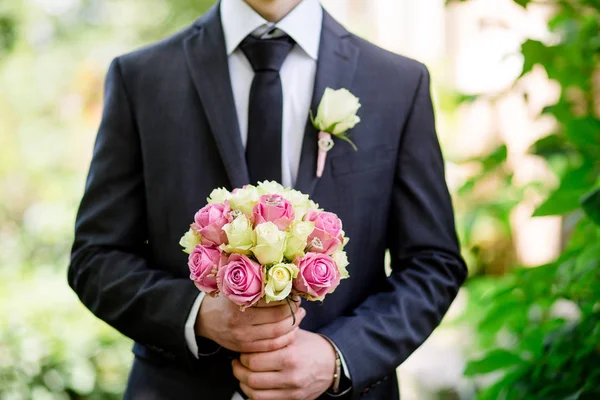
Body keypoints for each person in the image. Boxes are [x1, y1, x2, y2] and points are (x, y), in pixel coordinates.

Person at [68, 0, 467, 398]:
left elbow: (433, 263)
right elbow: (96, 257)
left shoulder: (397, 82)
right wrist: (197, 316)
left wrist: (339, 356)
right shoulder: (141, 78)